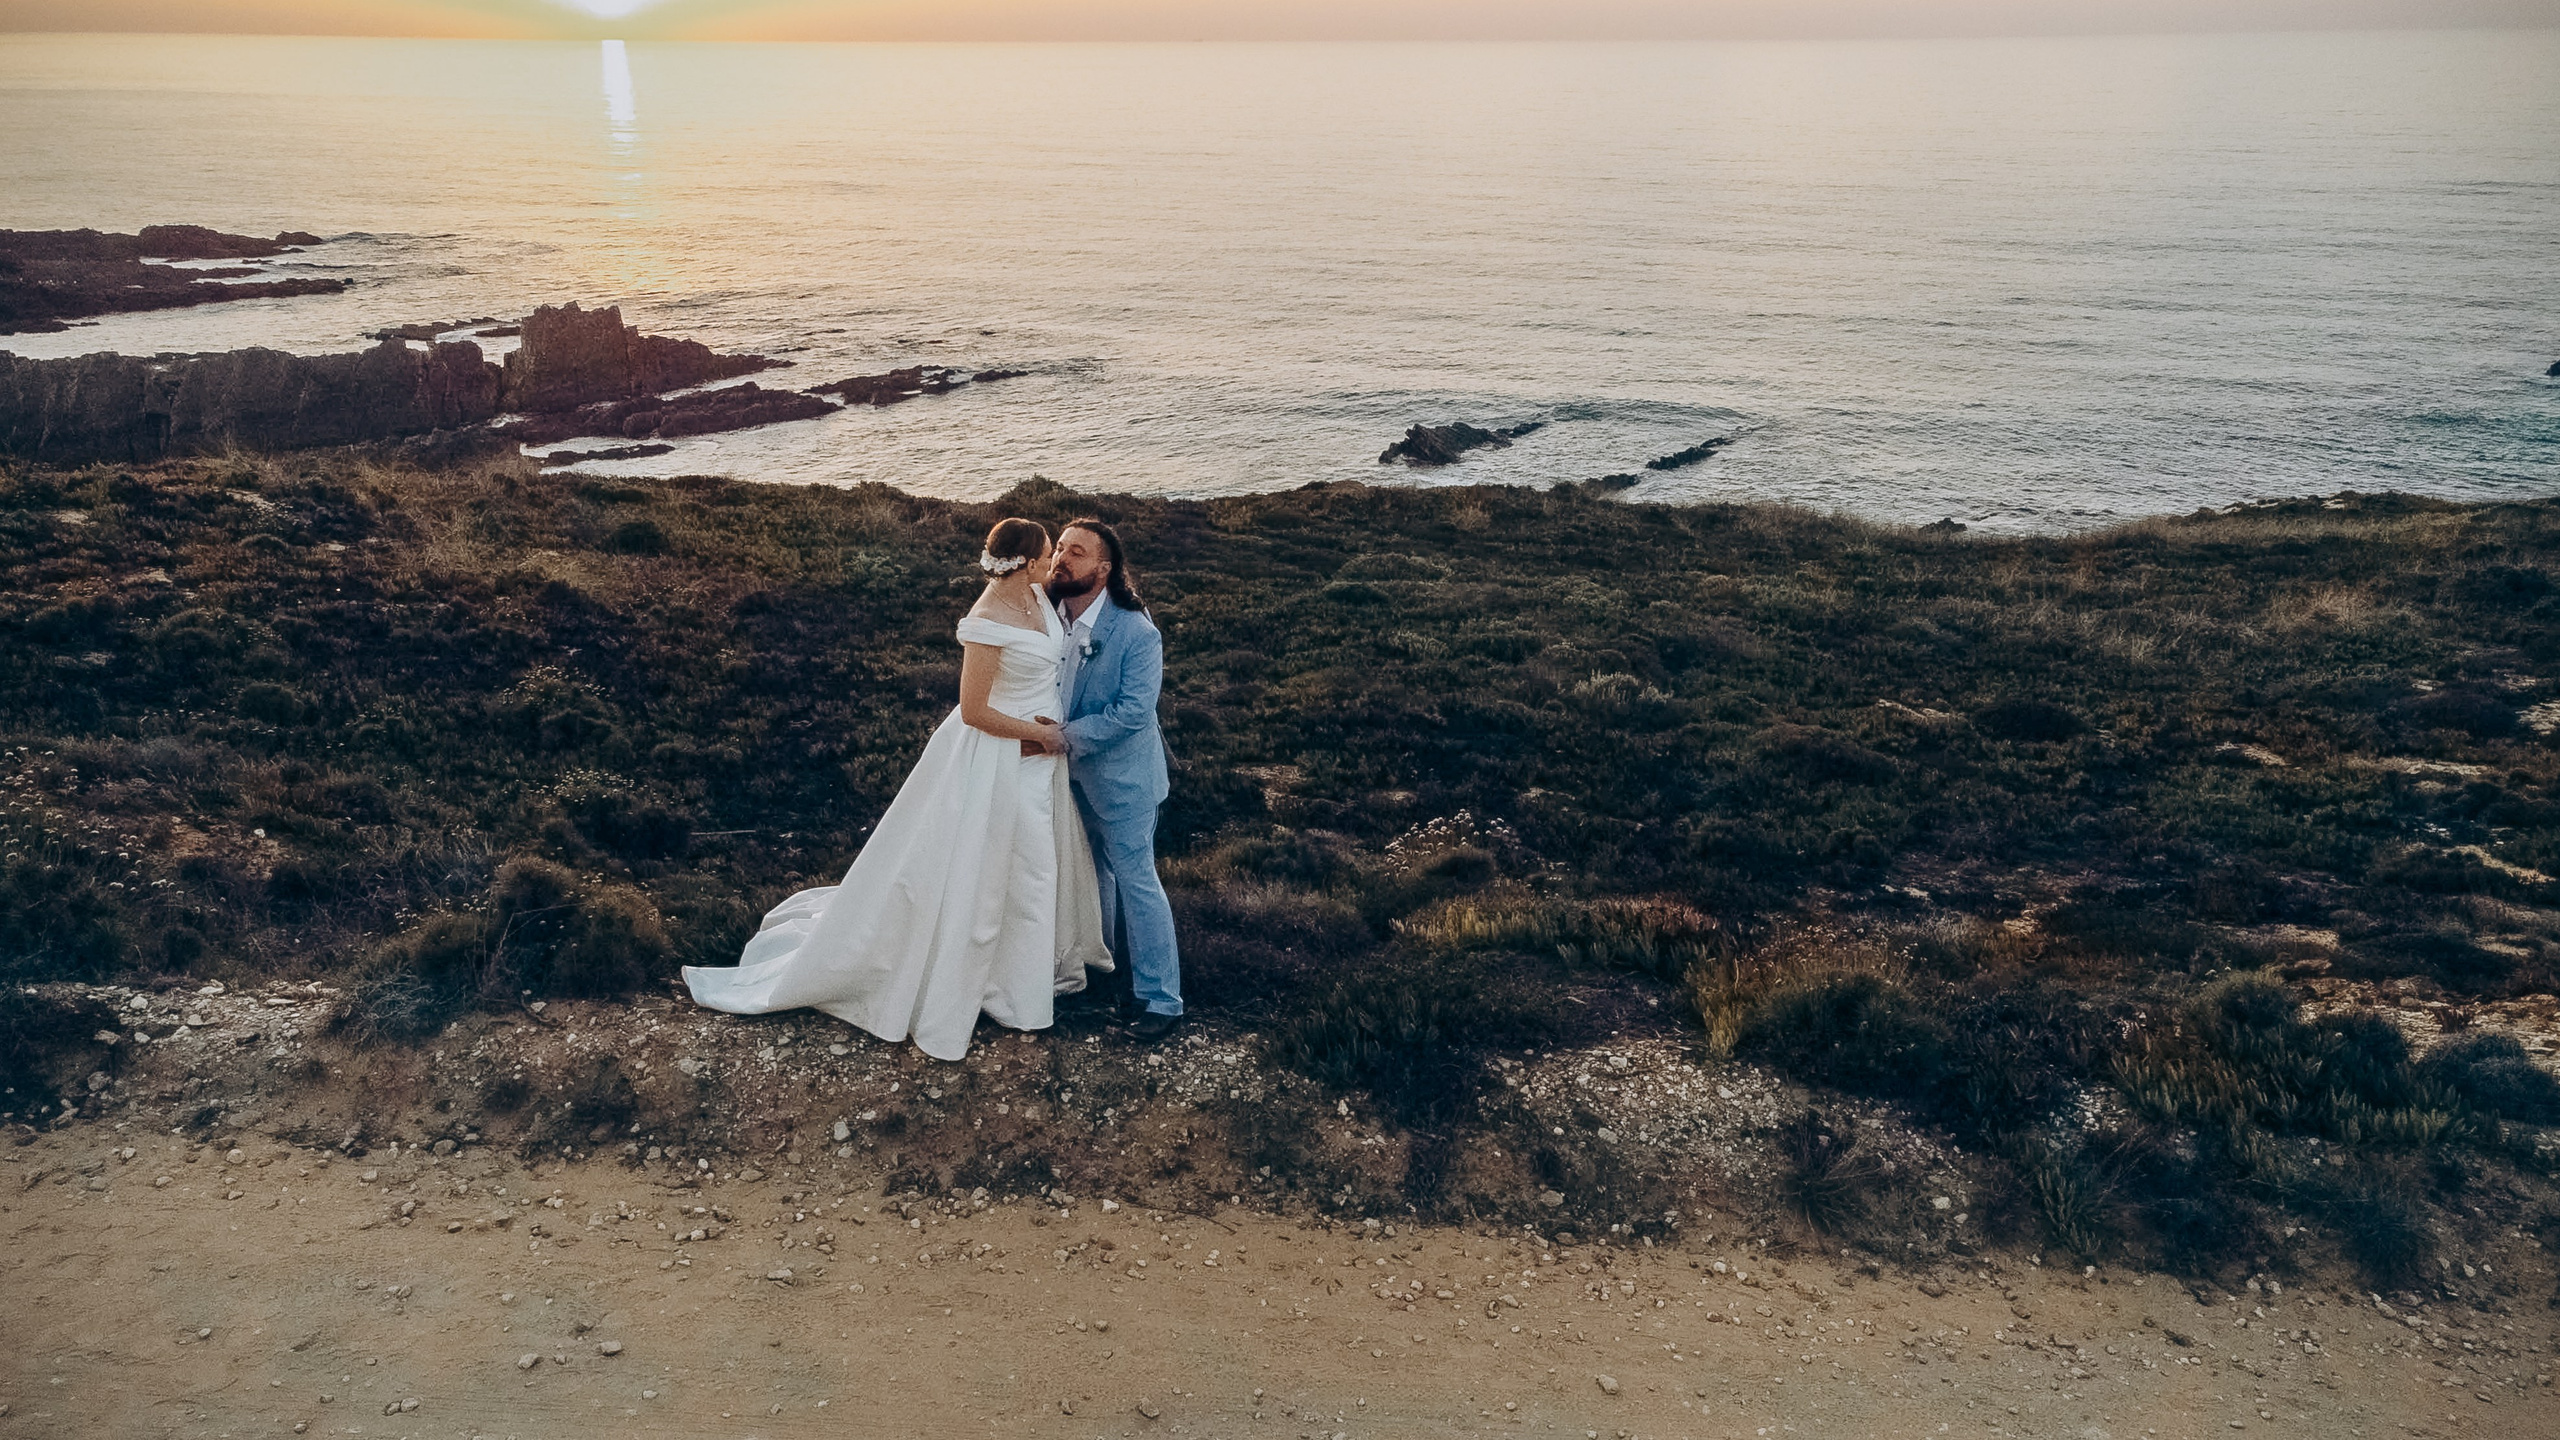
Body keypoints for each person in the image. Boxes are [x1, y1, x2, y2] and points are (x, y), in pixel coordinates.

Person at [679, 518, 1112, 1061]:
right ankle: (992, 987)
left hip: (1036, 762)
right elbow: (976, 711)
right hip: (996, 754)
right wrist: (1042, 734)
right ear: (1024, 564)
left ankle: (1026, 974)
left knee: (1033, 865)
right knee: (994, 867)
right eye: (1048, 555)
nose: (1053, 563)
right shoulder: (985, 620)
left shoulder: (1038, 598)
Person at [1042, 518, 1184, 1041]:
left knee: (1136, 881)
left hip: (1123, 783)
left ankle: (1161, 999)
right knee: (1089, 874)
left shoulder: (1136, 630)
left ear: (1104, 569)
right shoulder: (1047, 614)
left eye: (1076, 553)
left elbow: (1133, 712)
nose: (1061, 558)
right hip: (1063, 780)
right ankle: (1100, 970)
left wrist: (1063, 737)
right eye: (1059, 548)